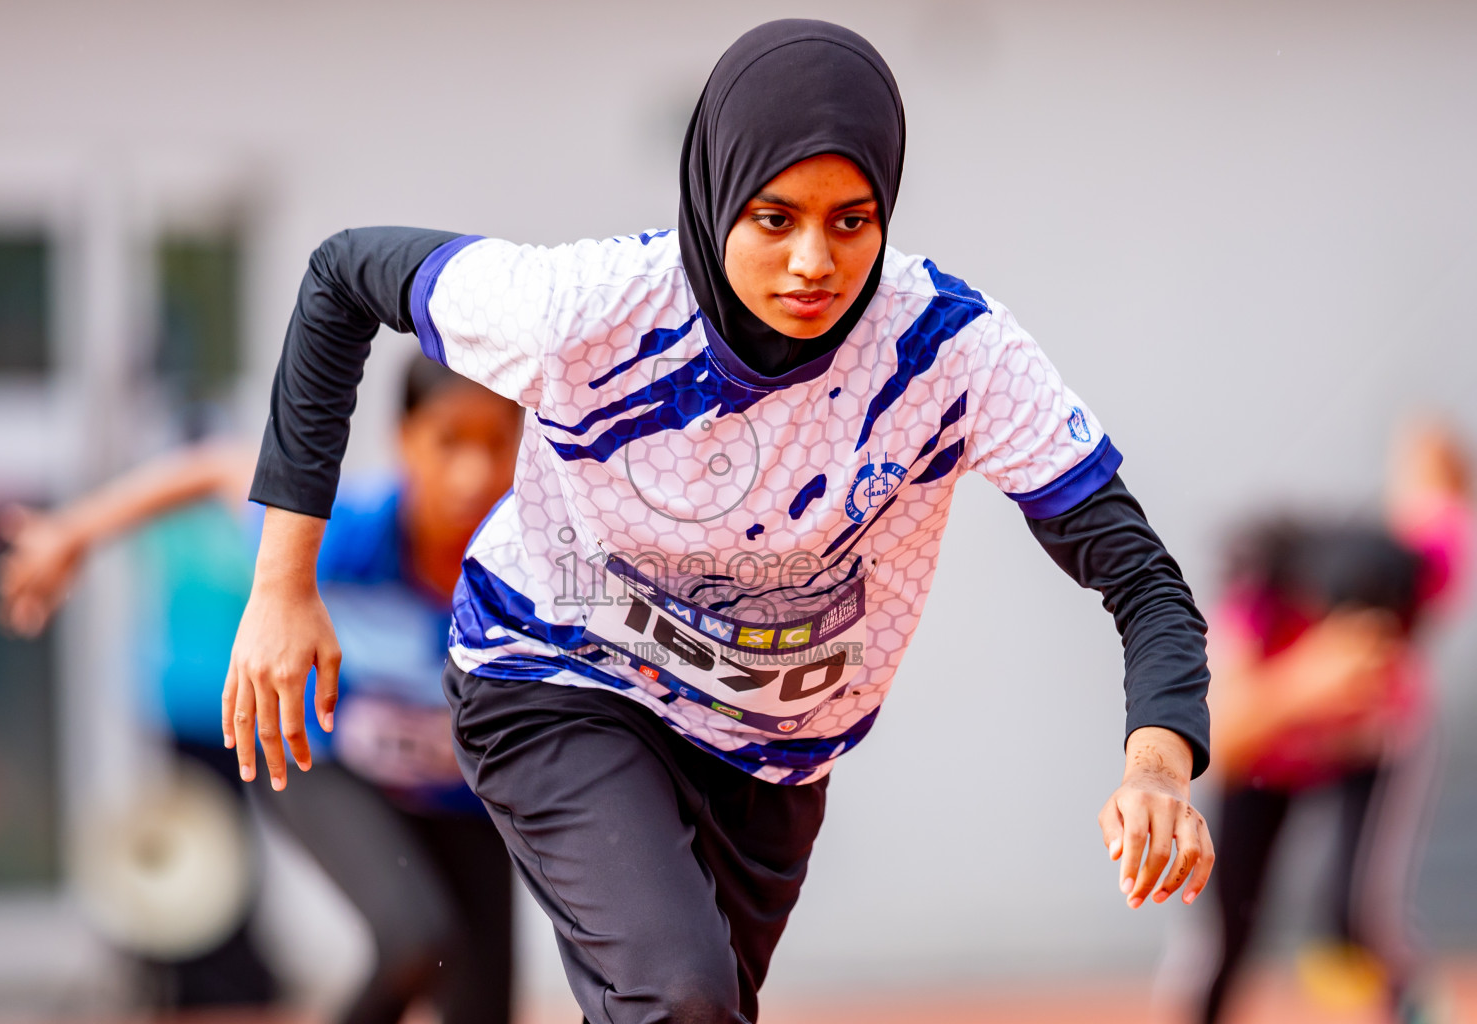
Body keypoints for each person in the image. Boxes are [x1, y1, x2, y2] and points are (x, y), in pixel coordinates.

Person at [226, 20, 1216, 1024]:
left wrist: (1156, 767)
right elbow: (341, 275)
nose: (812, 264)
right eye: (774, 218)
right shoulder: (587, 308)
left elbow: (1142, 580)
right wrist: (281, 585)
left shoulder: (949, 354)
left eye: (851, 220)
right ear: (716, 194)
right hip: (560, 677)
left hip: (769, 757)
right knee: (681, 999)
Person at [0, 358, 522, 1024]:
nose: (472, 474)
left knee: (482, 1006)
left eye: (495, 444)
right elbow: (217, 467)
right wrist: (73, 531)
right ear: (404, 441)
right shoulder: (347, 533)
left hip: (456, 790)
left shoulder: (519, 569)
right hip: (324, 763)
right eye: (450, 442)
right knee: (413, 940)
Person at [1197, 423, 1470, 1024]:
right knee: (1226, 930)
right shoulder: (1257, 610)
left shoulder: (1415, 575)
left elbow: (1443, 509)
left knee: (1358, 917)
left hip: (1367, 751)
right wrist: (1301, 686)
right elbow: (1218, 734)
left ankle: (1417, 1009)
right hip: (1264, 752)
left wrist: (1425, 449)